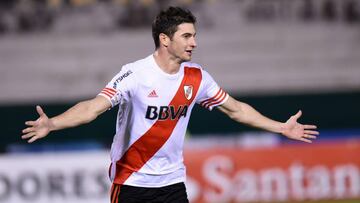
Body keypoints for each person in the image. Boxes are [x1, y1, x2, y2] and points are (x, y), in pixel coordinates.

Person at [21, 6, 319, 203]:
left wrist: (280, 127)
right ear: (165, 39)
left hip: (173, 184)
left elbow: (236, 109)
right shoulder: (135, 74)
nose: (194, 43)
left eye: (195, 36)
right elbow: (93, 107)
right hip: (131, 184)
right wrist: (53, 123)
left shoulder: (197, 77)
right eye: (186, 36)